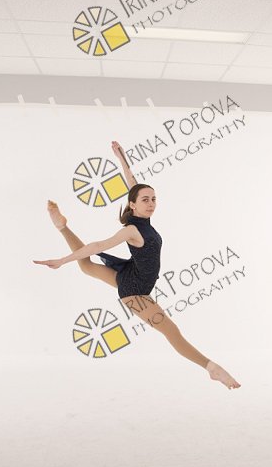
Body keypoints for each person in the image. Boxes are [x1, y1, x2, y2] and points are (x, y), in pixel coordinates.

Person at [34, 141, 241, 390]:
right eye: (145, 200)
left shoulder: (142, 218)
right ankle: (212, 369)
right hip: (135, 291)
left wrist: (121, 157)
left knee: (87, 267)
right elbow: (98, 245)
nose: (151, 203)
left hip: (132, 274)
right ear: (133, 204)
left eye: (153, 199)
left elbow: (132, 182)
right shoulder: (132, 229)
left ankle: (62, 227)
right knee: (171, 331)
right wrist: (61, 261)